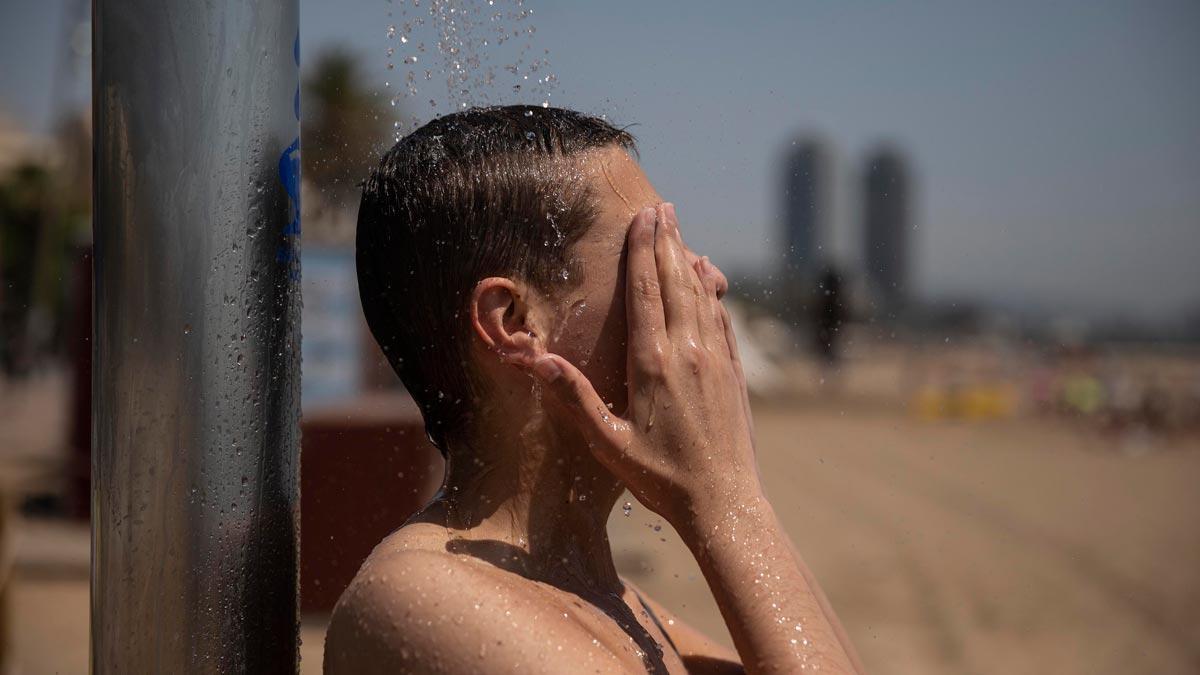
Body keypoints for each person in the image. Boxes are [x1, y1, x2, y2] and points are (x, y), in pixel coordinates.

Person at [324, 106, 863, 674]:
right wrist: (725, 496)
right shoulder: (422, 598)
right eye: (653, 256)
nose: (708, 282)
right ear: (514, 323)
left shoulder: (603, 594)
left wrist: (735, 486)